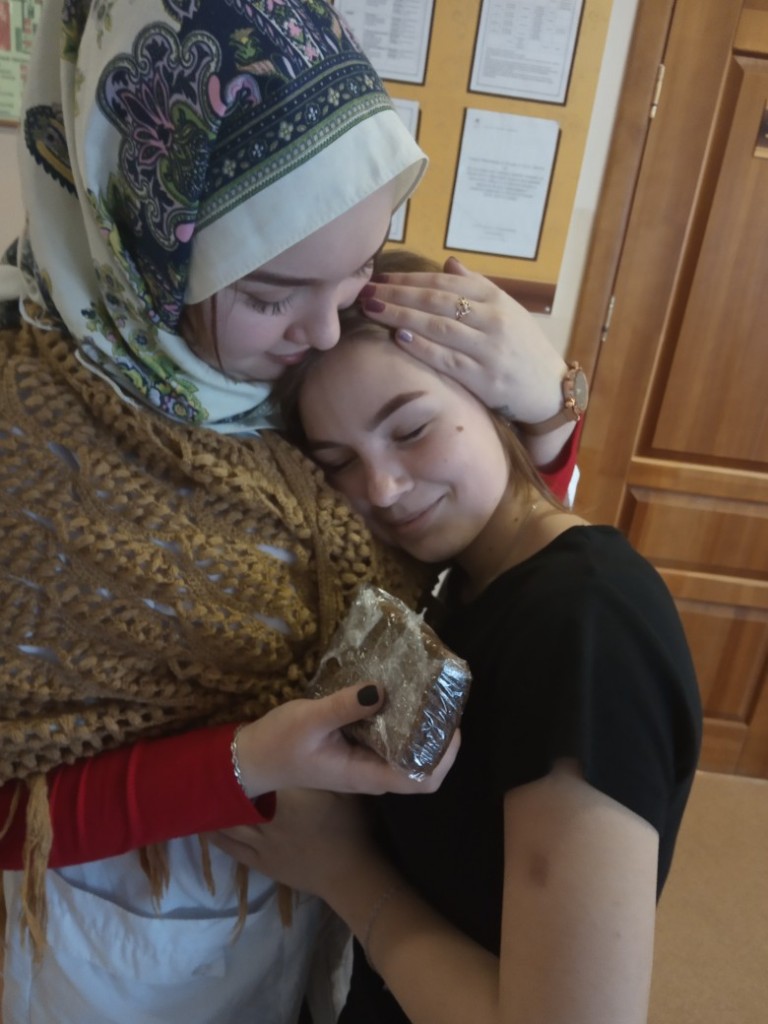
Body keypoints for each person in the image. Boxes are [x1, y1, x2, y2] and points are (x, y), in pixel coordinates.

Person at [0, 4, 581, 1023]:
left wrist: (547, 417)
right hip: (106, 957)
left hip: (311, 928)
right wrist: (245, 762)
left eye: (359, 266)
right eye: (272, 294)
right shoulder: (29, 435)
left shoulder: (352, 347)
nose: (323, 331)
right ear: (144, 245)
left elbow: (480, 566)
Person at [212, 259, 703, 1024]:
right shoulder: (464, 583)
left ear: (497, 398)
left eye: (411, 430)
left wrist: (343, 872)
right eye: (338, 464)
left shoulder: (584, 626)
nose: (381, 489)